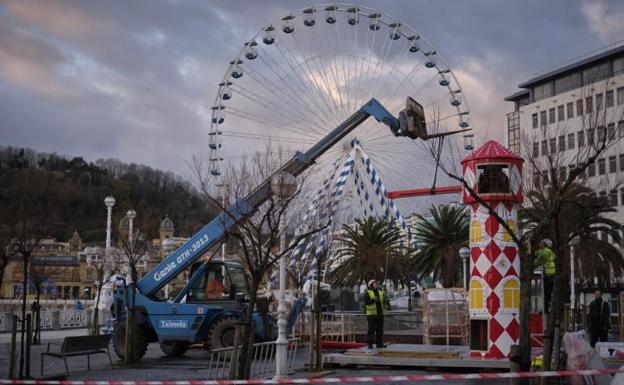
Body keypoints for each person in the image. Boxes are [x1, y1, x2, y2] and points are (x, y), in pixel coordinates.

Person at [361, 279, 390, 350]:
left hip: (380, 314)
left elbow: (383, 302)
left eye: (377, 283)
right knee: (371, 330)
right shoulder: (368, 292)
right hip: (371, 315)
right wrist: (373, 300)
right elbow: (366, 303)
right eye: (375, 283)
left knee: (380, 330)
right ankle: (370, 344)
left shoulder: (380, 292)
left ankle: (379, 344)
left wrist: (387, 303)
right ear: (371, 285)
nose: (377, 284)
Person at [535, 239, 556, 313]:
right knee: (547, 293)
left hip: (548, 275)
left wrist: (529, 263)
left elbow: (537, 262)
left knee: (546, 293)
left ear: (544, 244)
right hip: (550, 275)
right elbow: (536, 253)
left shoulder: (545, 252)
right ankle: (546, 309)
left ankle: (546, 310)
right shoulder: (547, 251)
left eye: (541, 243)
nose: (539, 244)